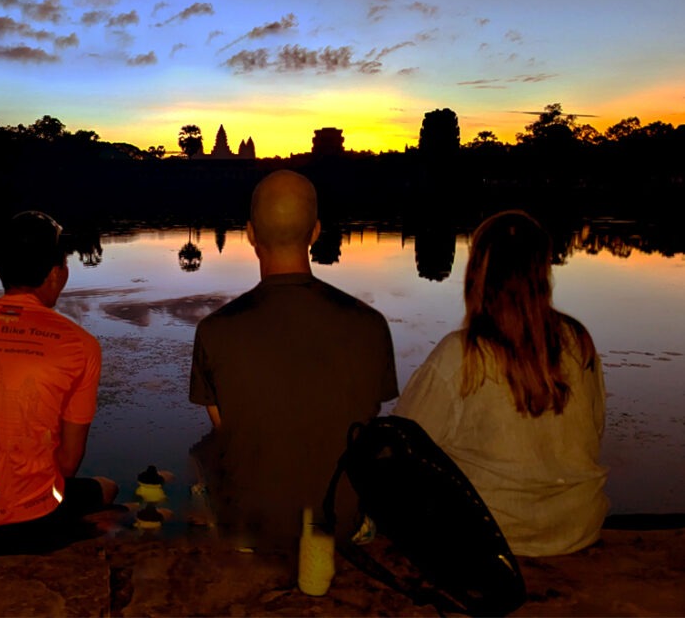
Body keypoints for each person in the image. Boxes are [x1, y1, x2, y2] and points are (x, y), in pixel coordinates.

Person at [189, 169, 399, 557]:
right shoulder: (370, 325)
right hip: (341, 526)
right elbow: (365, 420)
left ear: (250, 234)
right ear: (316, 232)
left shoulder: (215, 330)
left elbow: (229, 431)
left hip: (251, 525)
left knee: (201, 459)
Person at [393, 209, 608, 557]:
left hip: (493, 539)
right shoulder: (578, 341)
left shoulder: (461, 355)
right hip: (578, 527)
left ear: (477, 273)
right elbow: (595, 431)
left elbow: (401, 451)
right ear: (543, 272)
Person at [0, 210, 118, 555]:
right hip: (34, 526)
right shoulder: (79, 345)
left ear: (0, 270)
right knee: (107, 489)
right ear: (58, 274)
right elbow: (68, 463)